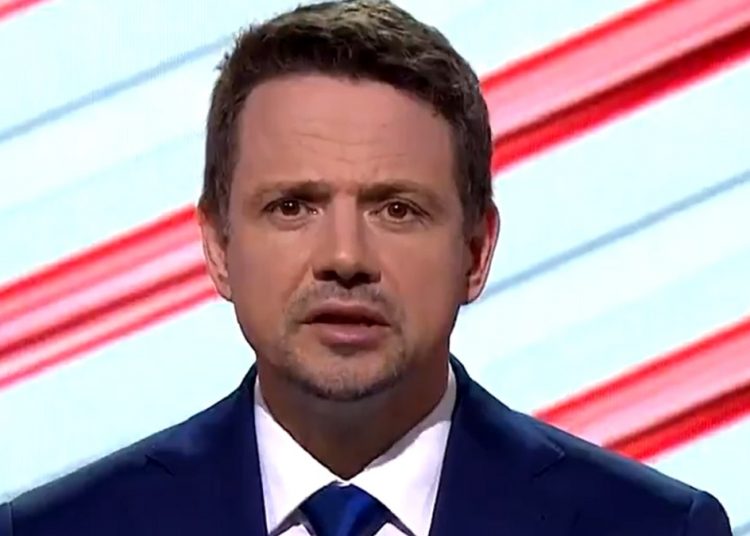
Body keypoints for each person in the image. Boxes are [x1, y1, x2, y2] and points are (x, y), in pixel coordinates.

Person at [0, 1, 733, 535]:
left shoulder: (652, 528)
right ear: (218, 247)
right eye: (292, 206)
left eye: (397, 209)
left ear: (476, 251)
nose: (345, 258)